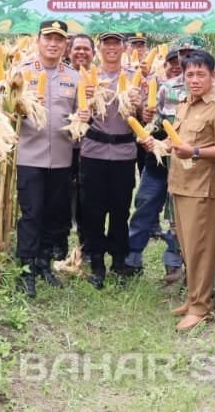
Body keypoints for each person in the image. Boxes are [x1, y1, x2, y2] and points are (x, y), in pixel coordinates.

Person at [146, 50, 215, 331]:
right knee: (187, 246)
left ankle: (201, 307)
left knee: (201, 249)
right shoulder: (184, 105)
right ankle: (193, 298)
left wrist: (194, 152)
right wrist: (156, 144)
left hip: (202, 187)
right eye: (190, 75)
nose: (194, 80)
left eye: (201, 74)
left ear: (212, 77)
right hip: (180, 184)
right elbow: (177, 143)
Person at [15, 20, 81, 297]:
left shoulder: (74, 77)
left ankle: (44, 263)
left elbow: (80, 114)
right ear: (38, 40)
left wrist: (83, 118)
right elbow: (5, 112)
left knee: (54, 214)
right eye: (48, 38)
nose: (53, 44)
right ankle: (26, 269)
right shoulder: (21, 73)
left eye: (59, 39)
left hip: (62, 157)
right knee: (32, 214)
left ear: (65, 44)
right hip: (29, 155)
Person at [78, 32, 143, 288]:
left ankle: (118, 260)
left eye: (117, 43)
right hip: (94, 150)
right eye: (107, 44)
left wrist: (140, 105)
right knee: (93, 210)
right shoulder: (87, 77)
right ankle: (96, 263)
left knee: (120, 209)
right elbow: (76, 113)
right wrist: (85, 105)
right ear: (99, 48)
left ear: (124, 47)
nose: (112, 48)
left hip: (124, 152)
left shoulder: (135, 77)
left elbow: (145, 117)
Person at [126, 48, 185, 278]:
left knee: (178, 214)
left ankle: (174, 262)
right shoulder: (166, 88)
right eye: (178, 58)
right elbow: (151, 122)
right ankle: (132, 258)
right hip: (158, 161)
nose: (182, 62)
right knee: (145, 204)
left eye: (189, 55)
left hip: (189, 164)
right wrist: (146, 122)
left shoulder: (211, 89)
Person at [64, 34, 95, 255]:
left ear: (93, 53)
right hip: (64, 147)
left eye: (86, 49)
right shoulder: (60, 76)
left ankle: (86, 243)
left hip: (90, 149)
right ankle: (60, 242)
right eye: (77, 48)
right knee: (62, 194)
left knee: (88, 197)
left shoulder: (98, 78)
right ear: (69, 52)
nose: (81, 52)